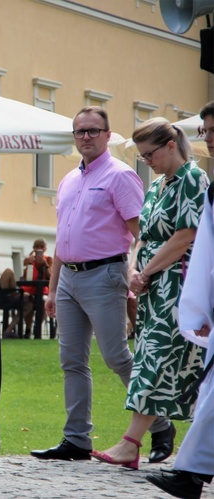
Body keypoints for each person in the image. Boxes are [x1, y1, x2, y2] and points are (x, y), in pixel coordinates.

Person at [31, 106, 172, 462]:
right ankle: (76, 438)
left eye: (94, 131)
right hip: (68, 280)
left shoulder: (120, 176)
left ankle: (159, 424)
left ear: (109, 135)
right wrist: (52, 285)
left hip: (104, 274)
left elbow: (142, 234)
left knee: (116, 357)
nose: (86, 137)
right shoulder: (68, 180)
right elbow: (62, 239)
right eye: (80, 132)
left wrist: (139, 275)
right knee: (71, 361)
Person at [90, 117, 207, 470]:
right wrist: (132, 270)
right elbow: (143, 233)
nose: (147, 161)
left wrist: (146, 270)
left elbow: (186, 234)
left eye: (149, 154)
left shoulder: (192, 179)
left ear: (171, 145)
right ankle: (140, 443)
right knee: (157, 361)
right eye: (142, 157)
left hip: (179, 284)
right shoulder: (157, 186)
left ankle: (132, 443)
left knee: (160, 360)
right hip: (154, 287)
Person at [146, 103, 214, 499]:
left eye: (210, 129)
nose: (207, 138)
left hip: (176, 284)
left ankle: (189, 472)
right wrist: (202, 307)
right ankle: (190, 473)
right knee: (209, 396)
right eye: (204, 130)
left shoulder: (195, 181)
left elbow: (191, 239)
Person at [20, 238, 52, 338]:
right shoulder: (28, 259)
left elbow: (50, 276)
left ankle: (37, 328)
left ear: (45, 248)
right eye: (37, 247)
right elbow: (25, 277)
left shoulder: (49, 259)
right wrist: (29, 263)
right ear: (33, 248)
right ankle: (28, 329)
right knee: (29, 301)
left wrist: (45, 264)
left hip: (43, 290)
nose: (39, 249)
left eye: (41, 247)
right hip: (29, 289)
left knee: (43, 303)